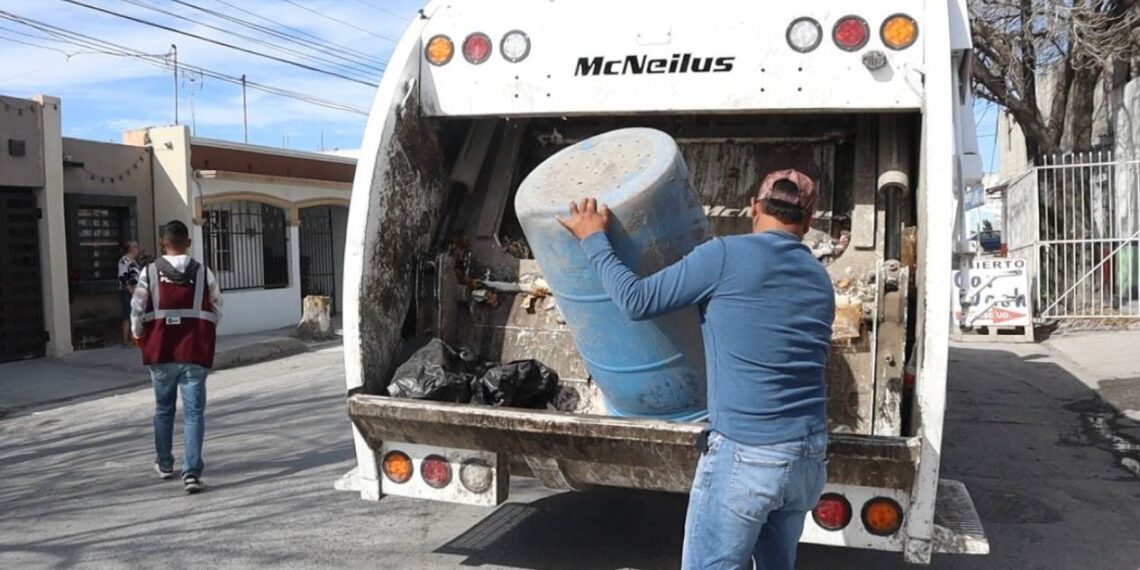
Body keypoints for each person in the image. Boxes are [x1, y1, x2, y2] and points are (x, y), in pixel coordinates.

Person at [557, 169, 834, 570]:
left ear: (753, 208)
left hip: (748, 454)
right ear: (808, 222)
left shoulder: (724, 255)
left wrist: (593, 239)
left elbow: (637, 301)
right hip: (808, 455)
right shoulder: (819, 279)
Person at [130, 221, 223, 494]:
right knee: (194, 413)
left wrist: (139, 336)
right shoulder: (204, 272)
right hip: (194, 351)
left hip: (161, 351)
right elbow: (217, 306)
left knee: (163, 410)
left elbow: (137, 309)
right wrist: (202, 330)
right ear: (189, 243)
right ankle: (191, 473)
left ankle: (165, 463)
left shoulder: (149, 272)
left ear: (162, 243)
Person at [117, 242, 141, 348]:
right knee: (127, 314)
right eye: (134, 247)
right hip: (126, 291)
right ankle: (125, 339)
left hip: (136, 291)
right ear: (129, 249)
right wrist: (130, 289)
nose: (137, 249)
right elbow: (123, 277)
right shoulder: (124, 260)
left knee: (135, 315)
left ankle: (134, 338)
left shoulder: (134, 262)